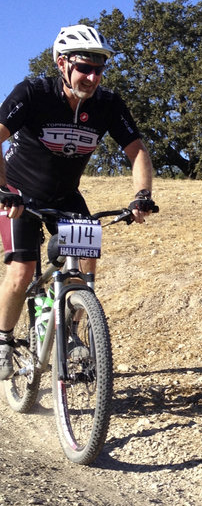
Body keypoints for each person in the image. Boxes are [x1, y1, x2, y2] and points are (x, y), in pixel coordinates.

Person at [0, 24, 156, 379]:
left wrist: (142, 195)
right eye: (84, 67)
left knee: (85, 264)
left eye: (98, 69)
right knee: (22, 270)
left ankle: (70, 331)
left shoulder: (107, 104)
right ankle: (4, 340)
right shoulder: (33, 93)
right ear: (61, 63)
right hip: (18, 193)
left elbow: (137, 151)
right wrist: (3, 188)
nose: (91, 76)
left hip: (65, 195)